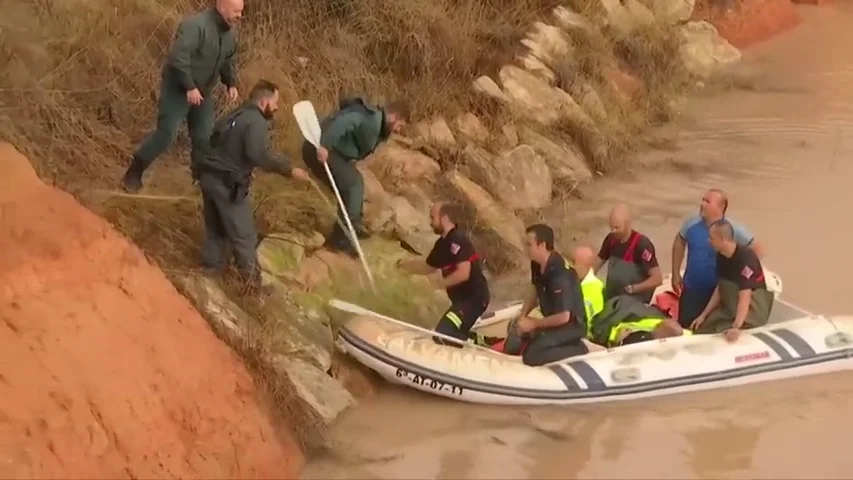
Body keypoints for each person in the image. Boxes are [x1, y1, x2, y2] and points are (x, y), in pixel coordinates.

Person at [191, 80, 311, 291]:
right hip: (227, 184)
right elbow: (257, 153)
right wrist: (288, 169)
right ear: (264, 101)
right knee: (244, 236)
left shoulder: (234, 115)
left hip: (208, 177)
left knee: (216, 228)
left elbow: (211, 140)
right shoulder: (256, 121)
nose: (276, 107)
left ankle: (211, 269)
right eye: (275, 102)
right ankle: (252, 286)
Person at [121, 0, 244, 193]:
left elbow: (228, 60)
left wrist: (231, 83)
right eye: (236, 11)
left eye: (241, 11)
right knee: (166, 135)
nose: (239, 15)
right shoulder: (196, 26)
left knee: (203, 138)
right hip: (178, 87)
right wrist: (188, 86)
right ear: (222, 6)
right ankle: (134, 172)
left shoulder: (230, 34)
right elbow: (178, 56)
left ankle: (200, 184)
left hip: (203, 92)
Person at [302, 97, 410, 258]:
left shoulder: (378, 123)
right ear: (393, 117)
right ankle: (344, 237)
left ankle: (345, 232)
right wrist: (325, 145)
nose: (398, 130)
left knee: (352, 184)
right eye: (400, 125)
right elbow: (344, 122)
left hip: (332, 152)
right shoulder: (371, 118)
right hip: (319, 149)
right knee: (353, 184)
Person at [397, 202, 493, 346]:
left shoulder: (459, 239)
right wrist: (402, 265)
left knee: (442, 335)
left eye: (432, 218)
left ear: (444, 218)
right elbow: (428, 267)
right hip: (461, 301)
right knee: (451, 332)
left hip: (474, 300)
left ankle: (477, 344)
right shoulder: (442, 244)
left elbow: (463, 273)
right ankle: (478, 340)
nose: (430, 222)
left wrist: (439, 284)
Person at [671, 189, 763, 329]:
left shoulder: (733, 229)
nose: (702, 204)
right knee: (685, 328)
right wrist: (675, 273)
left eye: (707, 201)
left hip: (718, 293)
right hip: (692, 289)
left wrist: (744, 278)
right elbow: (679, 241)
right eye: (702, 199)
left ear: (720, 207)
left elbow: (756, 250)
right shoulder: (691, 223)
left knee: (711, 331)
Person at [507, 224, 590, 366]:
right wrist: (523, 316)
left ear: (542, 245)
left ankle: (579, 349)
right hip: (552, 320)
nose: (526, 249)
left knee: (532, 355)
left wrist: (534, 324)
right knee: (515, 328)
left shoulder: (559, 274)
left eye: (529, 245)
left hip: (571, 326)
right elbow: (535, 288)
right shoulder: (537, 264)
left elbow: (564, 316)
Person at [689, 220, 774, 343]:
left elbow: (745, 295)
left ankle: (740, 323)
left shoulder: (746, 258)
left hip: (753, 307)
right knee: (702, 329)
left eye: (711, 238)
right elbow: (720, 288)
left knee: (721, 333)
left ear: (722, 239)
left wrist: (736, 327)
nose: (708, 241)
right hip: (732, 304)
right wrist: (703, 315)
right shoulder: (721, 256)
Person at [595, 204, 662, 304]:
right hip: (612, 298)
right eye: (611, 227)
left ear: (628, 224)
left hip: (634, 302)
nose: (613, 231)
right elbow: (598, 262)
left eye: (617, 228)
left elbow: (657, 279)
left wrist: (634, 289)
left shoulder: (642, 245)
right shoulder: (611, 239)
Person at [570, 245, 606, 337]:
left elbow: (595, 324)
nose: (570, 267)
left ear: (586, 266)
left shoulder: (595, 289)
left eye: (574, 262)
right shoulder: (575, 282)